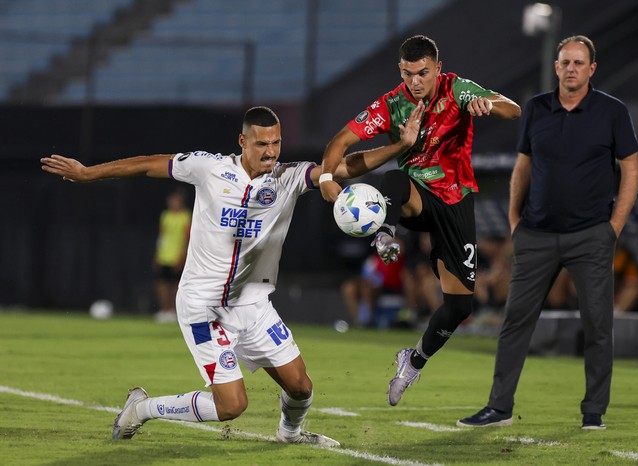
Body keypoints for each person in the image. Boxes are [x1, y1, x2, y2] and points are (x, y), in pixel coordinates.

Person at [40, 105, 423, 446]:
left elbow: (344, 166)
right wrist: (89, 174)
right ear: (242, 141)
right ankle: (142, 409)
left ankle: (290, 435)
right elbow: (148, 163)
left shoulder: (287, 177)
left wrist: (398, 147)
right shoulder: (210, 168)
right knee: (232, 405)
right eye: (262, 144)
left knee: (301, 387)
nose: (271, 151)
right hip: (204, 306)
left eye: (276, 142)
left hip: (254, 305)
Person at [318, 35, 521, 406]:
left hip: (457, 200)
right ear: (401, 70)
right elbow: (340, 140)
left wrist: (486, 105)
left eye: (423, 73)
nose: (416, 81)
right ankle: (385, 235)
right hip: (416, 199)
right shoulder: (391, 104)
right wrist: (328, 178)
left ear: (437, 69)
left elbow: (514, 109)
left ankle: (412, 362)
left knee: (460, 307)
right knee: (394, 177)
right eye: (409, 73)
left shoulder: (457, 88)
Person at [460, 35, 638, 430]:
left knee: (597, 324)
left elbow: (632, 167)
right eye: (565, 62)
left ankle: (593, 411)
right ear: (556, 67)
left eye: (579, 62)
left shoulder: (613, 111)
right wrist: (514, 219)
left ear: (592, 69)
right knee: (515, 323)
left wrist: (614, 228)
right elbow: (523, 165)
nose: (571, 68)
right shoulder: (536, 109)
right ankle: (499, 407)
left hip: (591, 235)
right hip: (536, 235)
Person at [153, 188, 191, 323]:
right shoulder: (165, 215)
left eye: (175, 201)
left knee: (176, 285)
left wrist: (183, 256)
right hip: (164, 255)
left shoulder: (186, 216)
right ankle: (164, 310)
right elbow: (162, 236)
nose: (173, 203)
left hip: (177, 255)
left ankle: (174, 312)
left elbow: (187, 239)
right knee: (162, 284)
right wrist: (157, 254)